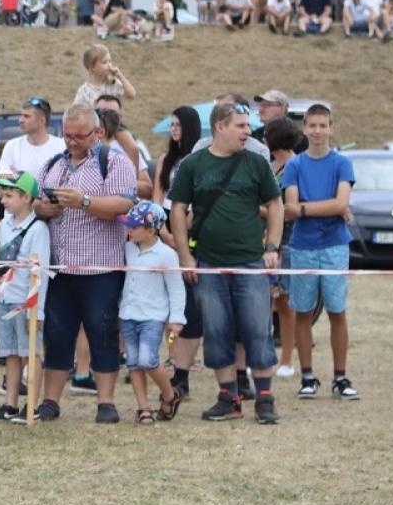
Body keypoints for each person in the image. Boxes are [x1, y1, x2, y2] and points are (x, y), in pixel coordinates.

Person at [169, 100, 284, 425]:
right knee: (217, 331)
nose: (248, 132)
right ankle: (228, 397)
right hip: (208, 263)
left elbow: (275, 206)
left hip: (250, 263)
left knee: (257, 330)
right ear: (220, 126)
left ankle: (264, 398)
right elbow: (178, 208)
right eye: (241, 126)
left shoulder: (256, 164)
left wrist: (271, 246)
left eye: (248, 126)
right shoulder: (194, 164)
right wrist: (185, 256)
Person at [30, 105, 138, 422]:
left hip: (100, 269)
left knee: (102, 333)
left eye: (80, 135)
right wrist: (45, 209)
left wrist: (83, 201)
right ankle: (50, 401)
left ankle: (106, 402)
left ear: (97, 132)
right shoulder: (52, 163)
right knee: (57, 333)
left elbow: (125, 204)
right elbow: (35, 201)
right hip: (59, 269)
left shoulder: (114, 162)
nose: (73, 141)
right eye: (67, 135)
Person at [282, 104, 358, 401]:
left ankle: (340, 376)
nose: (316, 131)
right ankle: (308, 376)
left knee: (337, 311)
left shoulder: (342, 163)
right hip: (302, 246)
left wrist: (304, 208)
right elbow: (289, 209)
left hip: (335, 245)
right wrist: (322, 208)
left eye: (322, 125)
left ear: (331, 128)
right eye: (311, 125)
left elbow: (341, 204)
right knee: (303, 311)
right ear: (304, 129)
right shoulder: (295, 166)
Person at [0, 172, 50, 421]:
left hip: (26, 301)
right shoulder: (5, 224)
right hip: (5, 298)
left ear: (27, 198)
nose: (4, 201)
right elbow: (1, 260)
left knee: (29, 353)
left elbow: (39, 272)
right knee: (9, 352)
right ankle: (10, 404)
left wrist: (38, 310)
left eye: (9, 196)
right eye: (3, 196)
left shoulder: (38, 228)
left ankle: (31, 404)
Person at [118, 201, 186, 425]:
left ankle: (170, 394)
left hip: (152, 316)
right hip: (128, 314)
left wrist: (176, 318)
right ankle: (143, 407)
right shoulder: (128, 248)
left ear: (151, 230)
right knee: (134, 363)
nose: (129, 230)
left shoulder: (166, 255)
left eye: (134, 226)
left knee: (148, 360)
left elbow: (176, 287)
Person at [0, 97, 63, 181]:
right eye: (21, 116)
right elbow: (1, 174)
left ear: (41, 121)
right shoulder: (12, 145)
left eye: (26, 116)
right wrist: (19, 176)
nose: (20, 120)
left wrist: (19, 177)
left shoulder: (61, 146)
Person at [72, 44, 137, 107]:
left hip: (114, 118)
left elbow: (131, 95)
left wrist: (120, 76)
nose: (109, 65)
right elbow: (76, 112)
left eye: (110, 61)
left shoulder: (113, 83)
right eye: (105, 62)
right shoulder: (84, 91)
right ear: (92, 67)